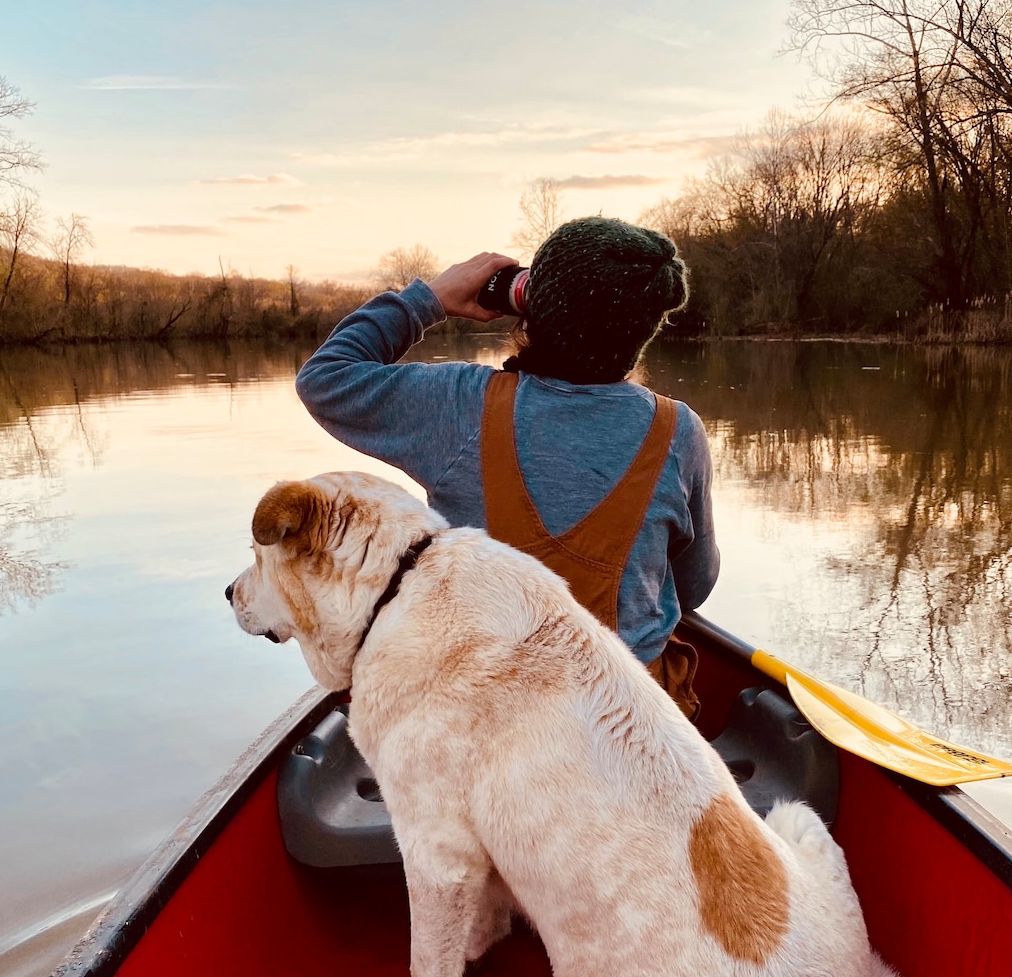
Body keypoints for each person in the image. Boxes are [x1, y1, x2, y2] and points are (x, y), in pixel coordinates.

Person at [295, 216, 719, 718]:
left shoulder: (460, 407)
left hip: (489, 722)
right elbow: (694, 586)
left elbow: (325, 378)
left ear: (527, 309)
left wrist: (427, 299)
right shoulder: (678, 431)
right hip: (629, 725)